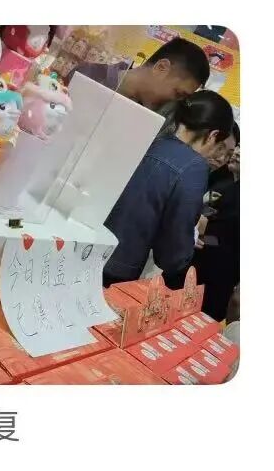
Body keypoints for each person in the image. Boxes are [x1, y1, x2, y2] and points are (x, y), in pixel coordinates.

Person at [103, 90, 234, 288]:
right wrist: (190, 239)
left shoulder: (152, 139)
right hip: (117, 268)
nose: (215, 155)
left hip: (88, 246)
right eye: (219, 147)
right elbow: (171, 256)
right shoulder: (193, 166)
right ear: (212, 136)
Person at [68, 37, 211, 115]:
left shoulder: (143, 116)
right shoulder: (88, 74)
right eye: (178, 93)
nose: (174, 101)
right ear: (161, 68)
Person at [194, 135, 240, 320]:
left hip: (218, 277)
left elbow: (224, 240)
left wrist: (201, 237)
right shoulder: (222, 178)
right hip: (195, 266)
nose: (238, 153)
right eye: (238, 147)